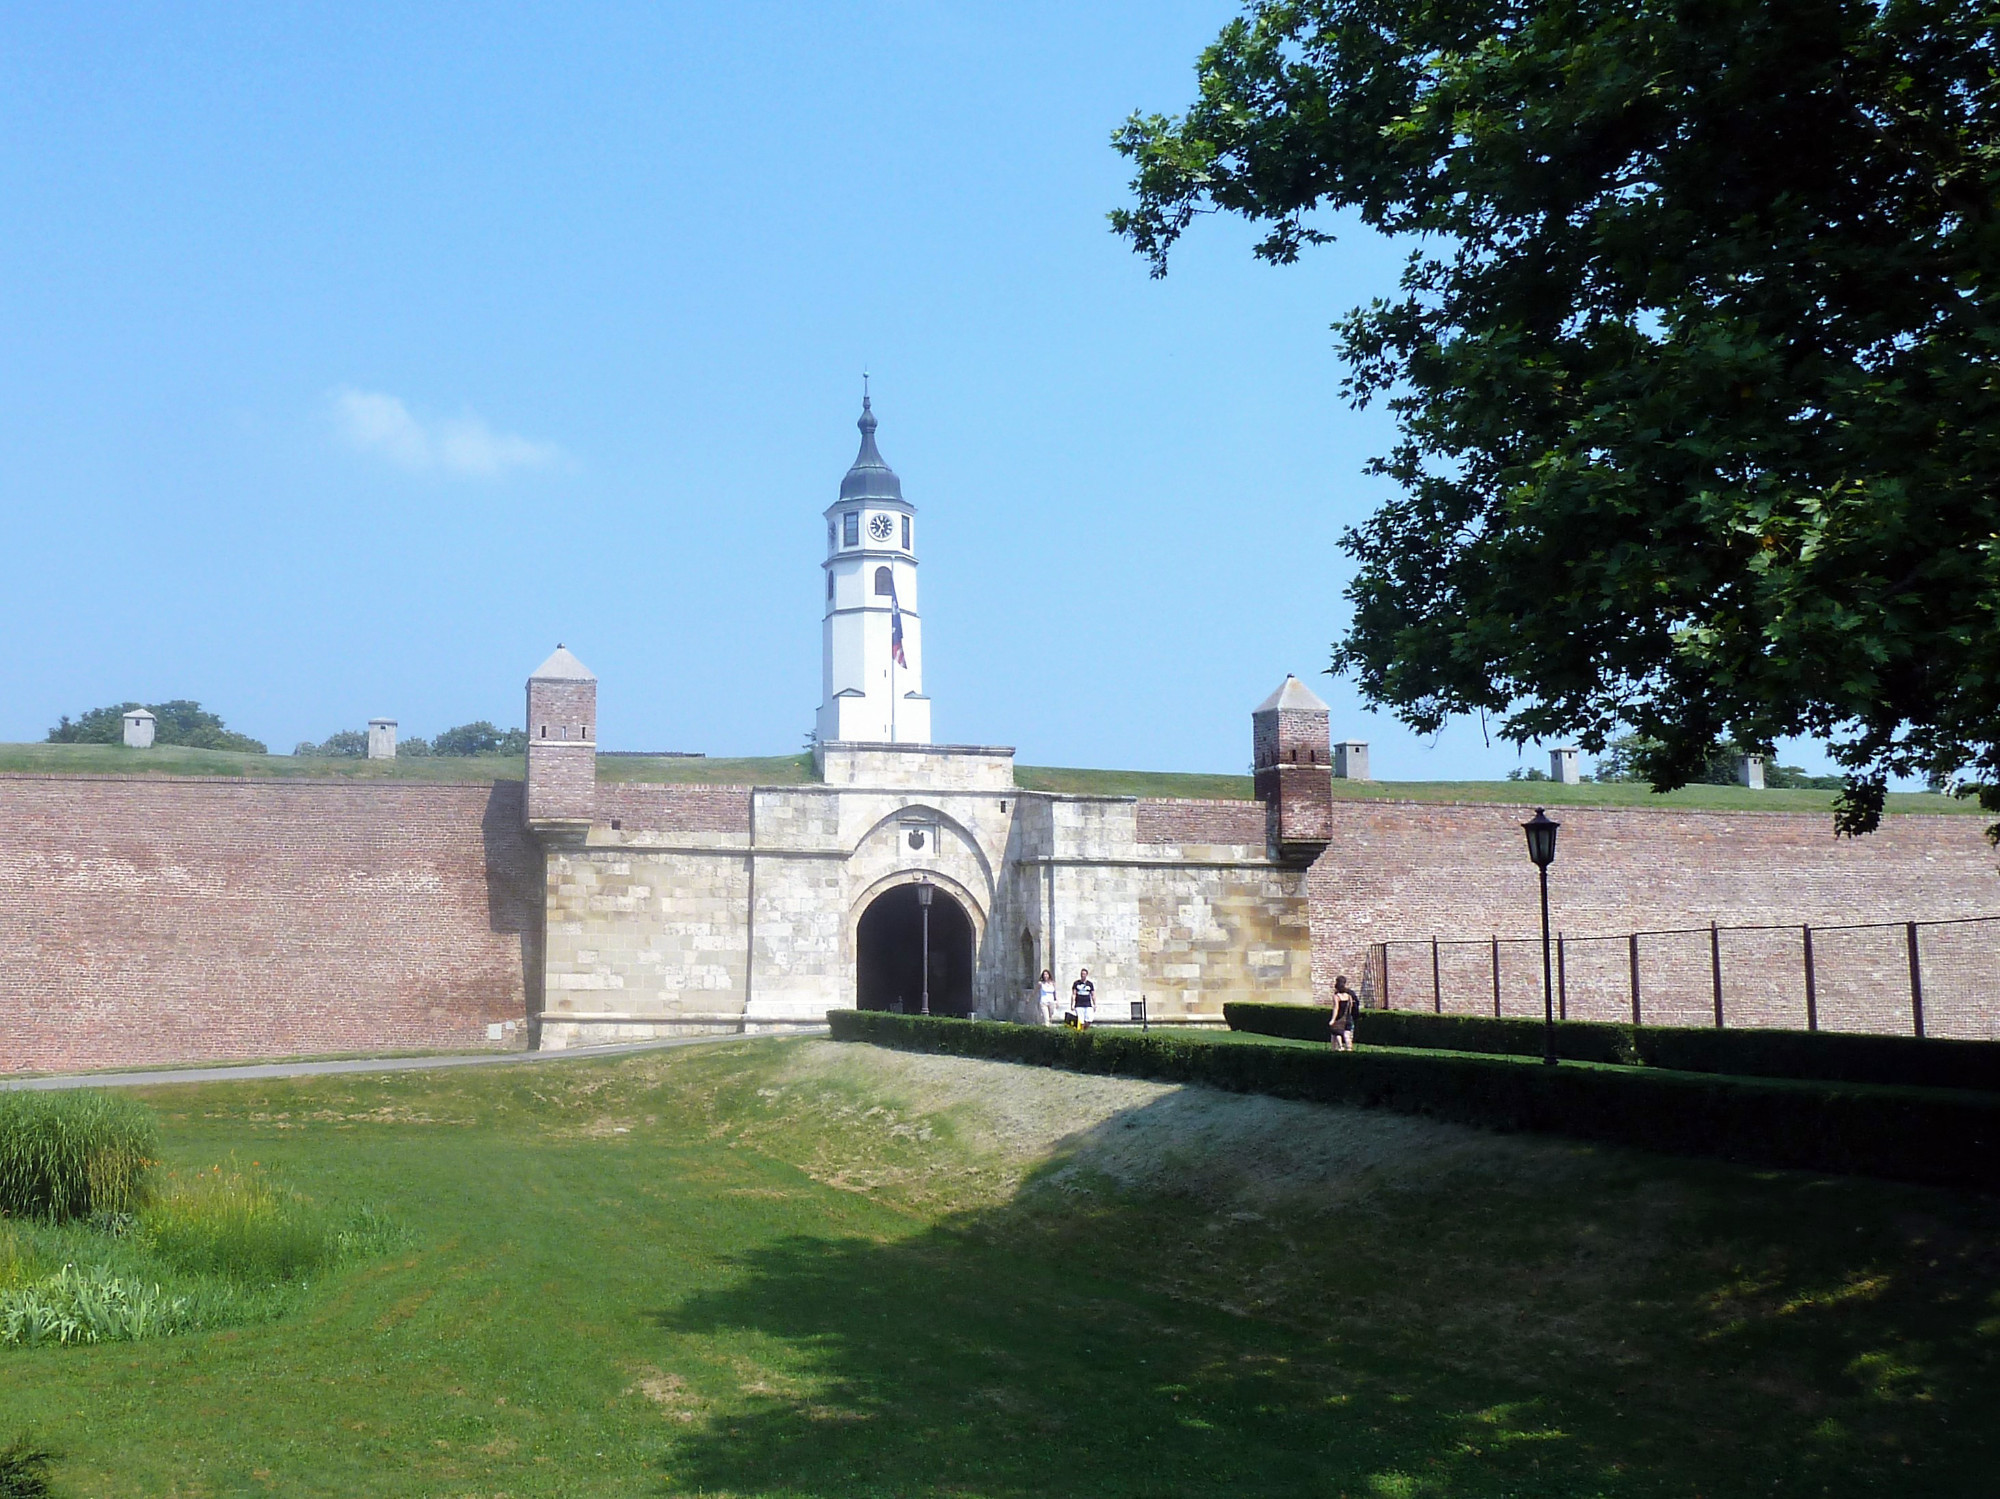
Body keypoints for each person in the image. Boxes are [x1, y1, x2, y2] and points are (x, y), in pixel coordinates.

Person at [1330, 975, 1357, 1052]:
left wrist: (1333, 1019)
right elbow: (1350, 1007)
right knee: (1347, 1034)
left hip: (1339, 1018)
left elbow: (1336, 1008)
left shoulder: (1336, 996)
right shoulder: (1349, 996)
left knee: (1336, 1033)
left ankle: (1339, 1047)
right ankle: (1349, 1049)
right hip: (1348, 1018)